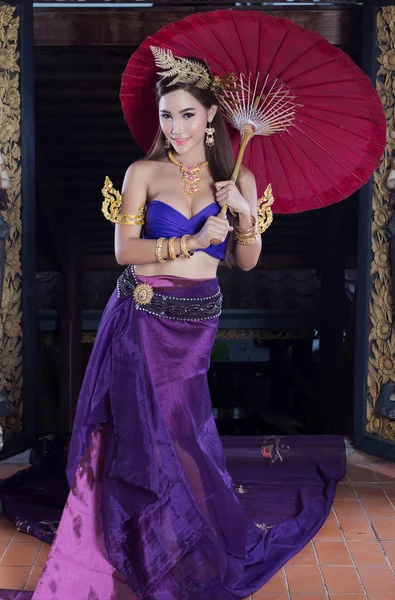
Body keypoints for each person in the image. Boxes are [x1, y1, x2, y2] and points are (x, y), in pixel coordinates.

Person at [0, 49, 344, 600]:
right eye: (166, 115)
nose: (175, 127)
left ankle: (179, 526)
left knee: (183, 427)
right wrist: (190, 239)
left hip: (196, 319)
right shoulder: (143, 172)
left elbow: (248, 261)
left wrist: (246, 219)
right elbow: (123, 250)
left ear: (211, 117)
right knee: (135, 423)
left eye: (186, 115)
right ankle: (131, 529)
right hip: (139, 312)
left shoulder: (241, 178)